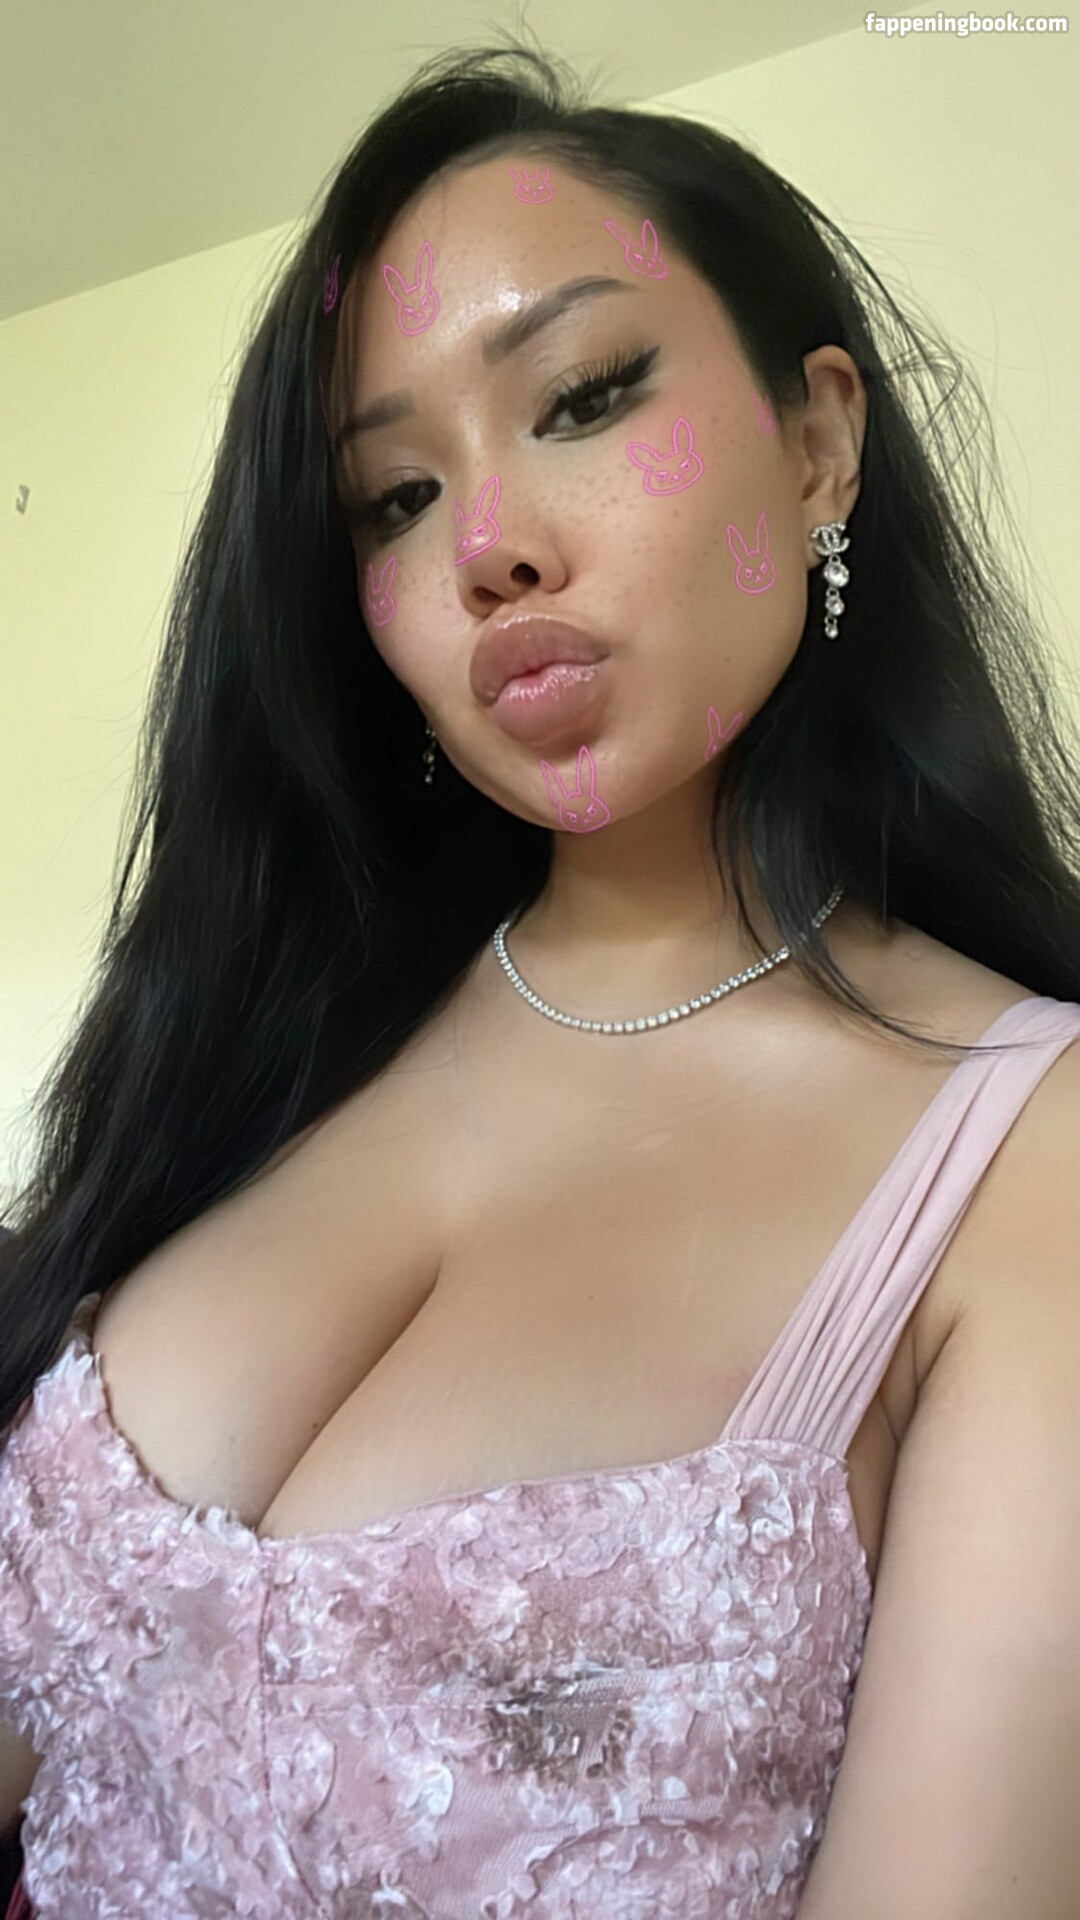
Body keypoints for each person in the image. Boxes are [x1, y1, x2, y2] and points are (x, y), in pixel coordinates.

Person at [1, 33, 1079, 1920]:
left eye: (581, 397)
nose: (487, 546)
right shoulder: (271, 1039)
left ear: (817, 443)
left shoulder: (1026, 1159)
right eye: (394, 500)